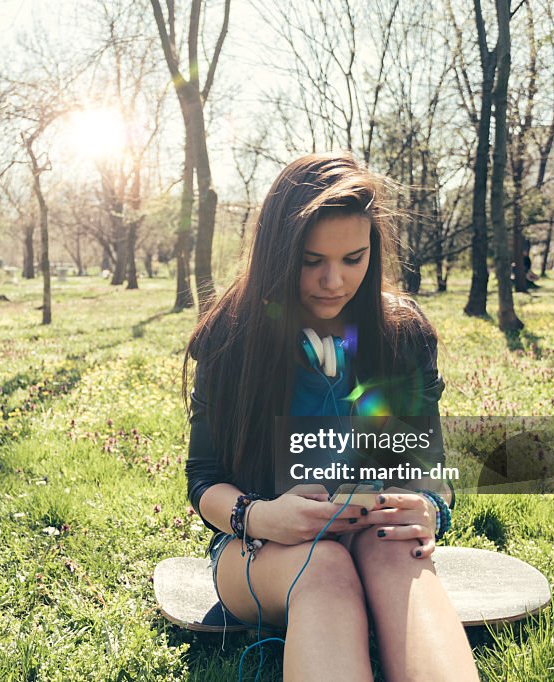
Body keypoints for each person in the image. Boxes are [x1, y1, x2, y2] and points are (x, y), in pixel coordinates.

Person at [182, 152, 479, 681]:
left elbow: (427, 465)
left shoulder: (402, 334)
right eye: (311, 260)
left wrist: (429, 505)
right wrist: (261, 516)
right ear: (277, 253)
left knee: (397, 554)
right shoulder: (231, 338)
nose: (333, 281)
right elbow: (203, 481)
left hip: (373, 531)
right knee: (325, 570)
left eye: (353, 259)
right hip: (261, 547)